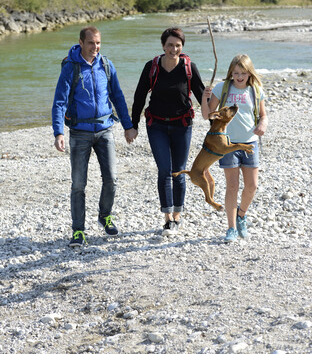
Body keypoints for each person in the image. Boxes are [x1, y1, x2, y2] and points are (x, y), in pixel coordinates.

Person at [52, 26, 137, 247]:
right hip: (79, 132)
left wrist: (128, 126)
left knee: (111, 179)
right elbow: (60, 101)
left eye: (98, 43)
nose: (95, 47)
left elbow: (117, 96)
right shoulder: (70, 68)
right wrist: (58, 131)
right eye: (91, 43)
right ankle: (78, 231)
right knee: (78, 184)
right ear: (81, 42)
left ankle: (105, 215)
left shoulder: (106, 65)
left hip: (105, 130)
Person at [131, 27, 210, 236]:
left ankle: (177, 215)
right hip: (156, 125)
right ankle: (167, 219)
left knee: (179, 171)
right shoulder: (152, 67)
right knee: (165, 170)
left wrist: (213, 111)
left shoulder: (188, 67)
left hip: (182, 126)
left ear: (182, 47)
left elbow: (203, 100)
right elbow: (139, 96)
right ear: (163, 46)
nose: (173, 49)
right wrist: (133, 125)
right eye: (169, 45)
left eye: (177, 45)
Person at [202, 54, 268, 243]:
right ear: (231, 72)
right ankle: (231, 228)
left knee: (252, 186)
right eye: (236, 73)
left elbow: (263, 115)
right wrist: (204, 99)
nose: (239, 76)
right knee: (232, 186)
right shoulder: (222, 88)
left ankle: (242, 215)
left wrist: (263, 125)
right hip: (227, 144)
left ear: (249, 73)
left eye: (243, 73)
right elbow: (207, 116)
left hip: (250, 143)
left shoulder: (255, 89)